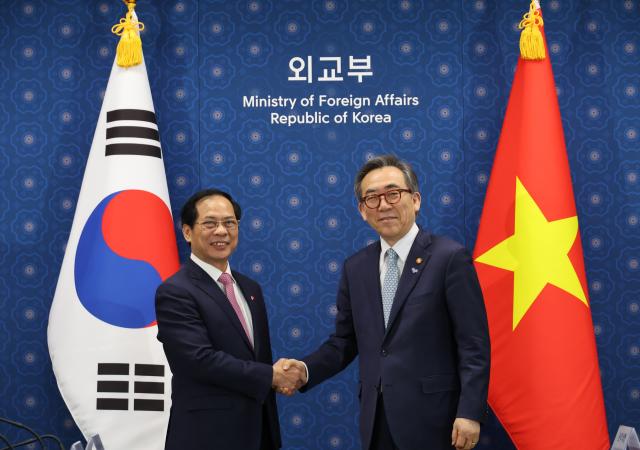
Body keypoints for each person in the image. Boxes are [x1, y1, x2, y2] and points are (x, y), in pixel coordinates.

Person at [282, 155, 490, 450]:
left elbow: (473, 344)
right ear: (362, 211)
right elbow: (344, 342)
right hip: (377, 419)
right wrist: (305, 369)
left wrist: (469, 412)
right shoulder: (356, 268)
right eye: (372, 198)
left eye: (393, 193)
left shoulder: (449, 258)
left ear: (415, 200)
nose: (383, 205)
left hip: (437, 420)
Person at [155, 189, 303, 450]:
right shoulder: (175, 291)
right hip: (206, 436)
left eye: (229, 223)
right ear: (187, 232)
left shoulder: (250, 288)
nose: (221, 231)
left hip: (258, 433)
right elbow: (199, 361)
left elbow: (254, 356)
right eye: (210, 223)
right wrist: (271, 375)